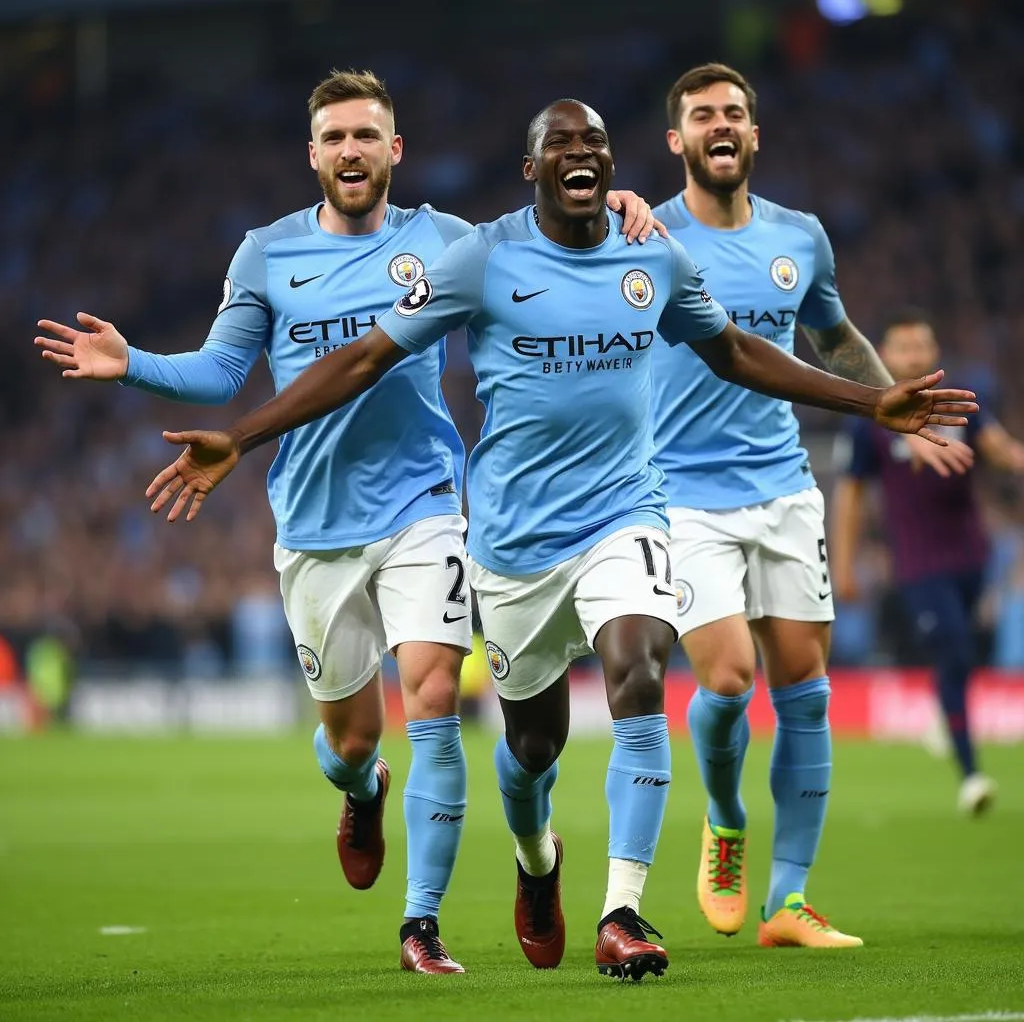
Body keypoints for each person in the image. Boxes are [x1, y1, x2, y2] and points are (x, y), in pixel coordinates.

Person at [139, 98, 974, 981]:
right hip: (512, 543)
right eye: (560, 146)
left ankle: (623, 913)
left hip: (628, 510)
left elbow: (733, 350)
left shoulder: (651, 249)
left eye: (595, 146)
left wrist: (867, 401)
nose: (581, 155)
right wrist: (244, 434)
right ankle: (538, 858)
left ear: (614, 169)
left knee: (639, 673)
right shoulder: (483, 256)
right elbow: (364, 359)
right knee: (531, 749)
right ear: (531, 170)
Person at [35, 69, 660, 975]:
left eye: (367, 136)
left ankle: (422, 925)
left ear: (394, 150)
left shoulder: (443, 239)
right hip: (315, 523)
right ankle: (362, 792)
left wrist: (617, 204)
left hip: (426, 507)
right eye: (335, 138)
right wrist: (134, 363)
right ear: (314, 155)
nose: (351, 151)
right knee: (351, 742)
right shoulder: (266, 254)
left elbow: (546, 237)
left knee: (437, 703)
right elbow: (218, 376)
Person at [650, 62, 976, 950]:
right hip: (682, 497)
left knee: (806, 693)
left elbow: (832, 337)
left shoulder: (802, 237)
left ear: (755, 136)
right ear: (676, 141)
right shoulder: (645, 237)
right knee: (724, 679)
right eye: (703, 115)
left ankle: (787, 903)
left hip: (784, 489)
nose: (722, 125)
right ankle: (724, 822)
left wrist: (897, 416)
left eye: (736, 114)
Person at [832, 309, 1024, 816]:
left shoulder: (961, 404)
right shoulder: (872, 420)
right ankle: (971, 774)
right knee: (954, 649)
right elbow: (851, 494)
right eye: (904, 348)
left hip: (972, 555)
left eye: (923, 346)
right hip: (917, 563)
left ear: (934, 352)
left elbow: (998, 448)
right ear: (885, 355)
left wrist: (1015, 456)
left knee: (967, 653)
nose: (915, 356)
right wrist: (844, 564)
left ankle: (946, 711)